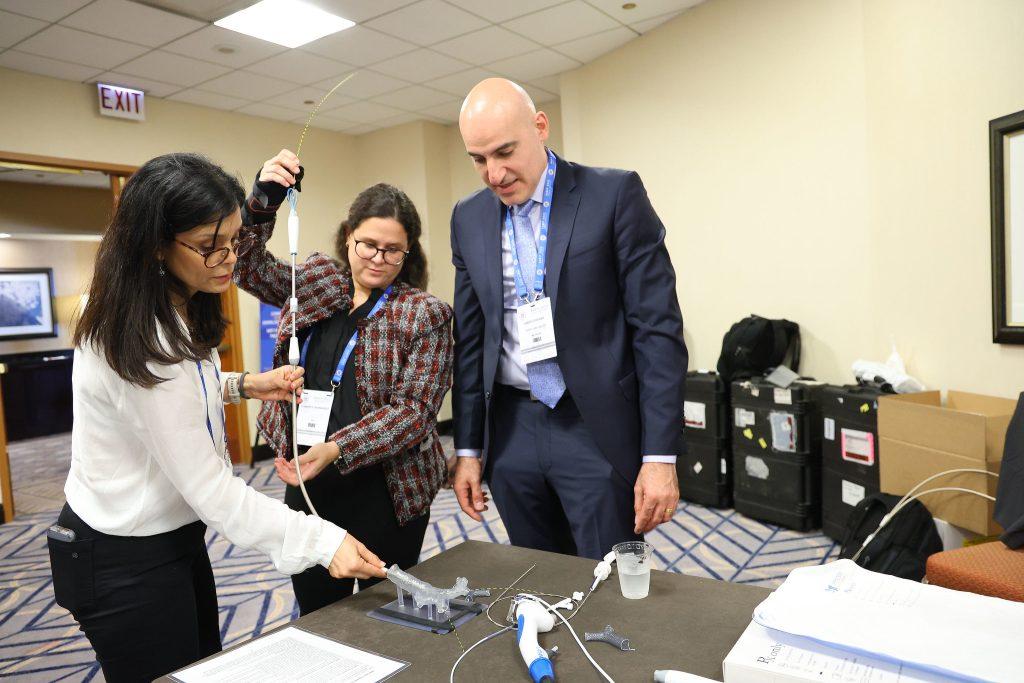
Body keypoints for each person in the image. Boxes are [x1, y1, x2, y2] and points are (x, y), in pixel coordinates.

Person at [51, 153, 386, 682]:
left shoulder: (174, 301)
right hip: (121, 556)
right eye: (210, 246)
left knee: (201, 663)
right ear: (155, 244)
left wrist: (244, 384)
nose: (229, 258)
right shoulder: (135, 331)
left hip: (174, 538)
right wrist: (322, 542)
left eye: (233, 241)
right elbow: (213, 491)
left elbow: (182, 390)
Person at [450, 79, 688, 560]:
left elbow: (657, 330)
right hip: (511, 430)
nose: (494, 174)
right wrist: (469, 449)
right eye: (478, 159)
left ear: (540, 127)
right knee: (538, 574)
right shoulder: (467, 218)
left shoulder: (613, 194)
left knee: (610, 576)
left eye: (505, 152)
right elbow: (471, 341)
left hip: (594, 425)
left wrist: (660, 456)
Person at [234, 149, 453, 616]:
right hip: (308, 479)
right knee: (317, 611)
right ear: (348, 236)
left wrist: (337, 448)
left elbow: (413, 413)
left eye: (393, 250)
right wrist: (261, 204)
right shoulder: (317, 281)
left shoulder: (424, 314)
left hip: (388, 491)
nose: (378, 258)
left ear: (408, 252)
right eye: (367, 244)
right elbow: (247, 268)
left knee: (387, 614)